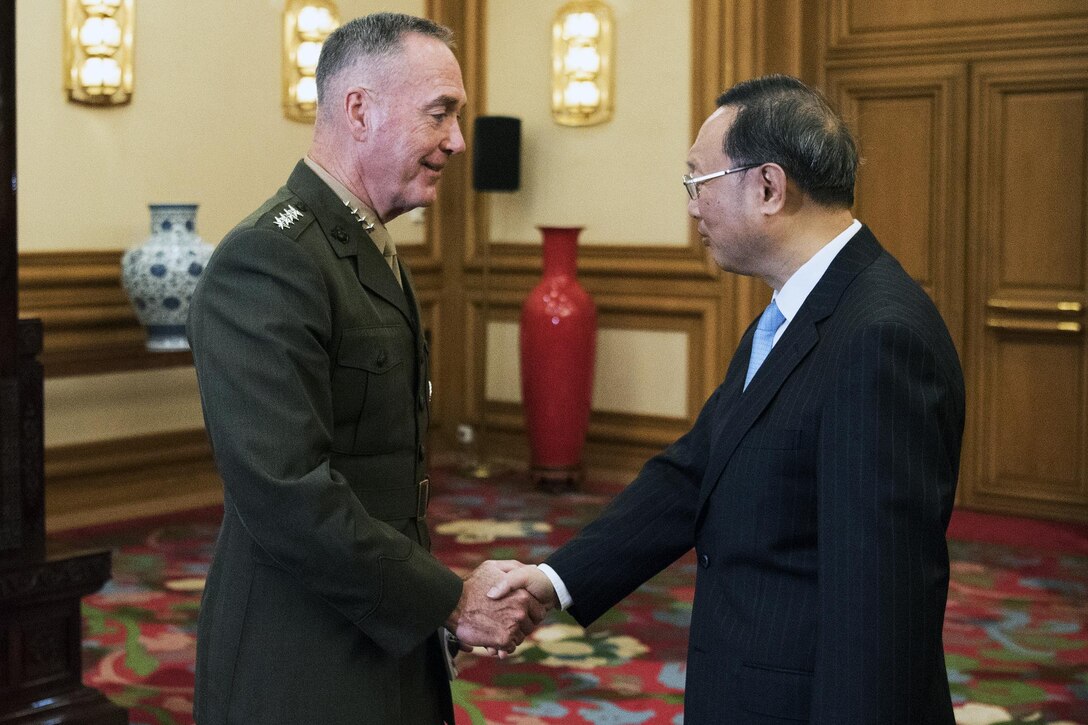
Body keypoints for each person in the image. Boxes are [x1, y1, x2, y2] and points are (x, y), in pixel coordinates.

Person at [491, 75, 965, 724]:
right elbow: (697, 471)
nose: (691, 207)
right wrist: (556, 578)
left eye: (697, 182)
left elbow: (879, 608)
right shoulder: (794, 312)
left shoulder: (878, 337)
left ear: (768, 187)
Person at [187, 13, 542, 725]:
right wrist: (451, 600)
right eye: (440, 113)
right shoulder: (270, 257)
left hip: (383, 635)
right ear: (359, 108)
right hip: (300, 662)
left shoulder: (363, 244)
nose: (458, 141)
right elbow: (289, 494)